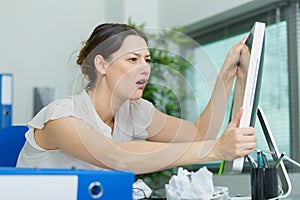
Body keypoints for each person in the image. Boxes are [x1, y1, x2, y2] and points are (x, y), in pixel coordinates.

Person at [16, 23, 256, 175]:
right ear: (102, 65)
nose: (145, 68)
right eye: (133, 59)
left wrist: (226, 77)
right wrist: (215, 150)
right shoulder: (62, 117)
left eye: (147, 60)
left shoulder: (135, 110)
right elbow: (116, 157)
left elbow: (200, 134)